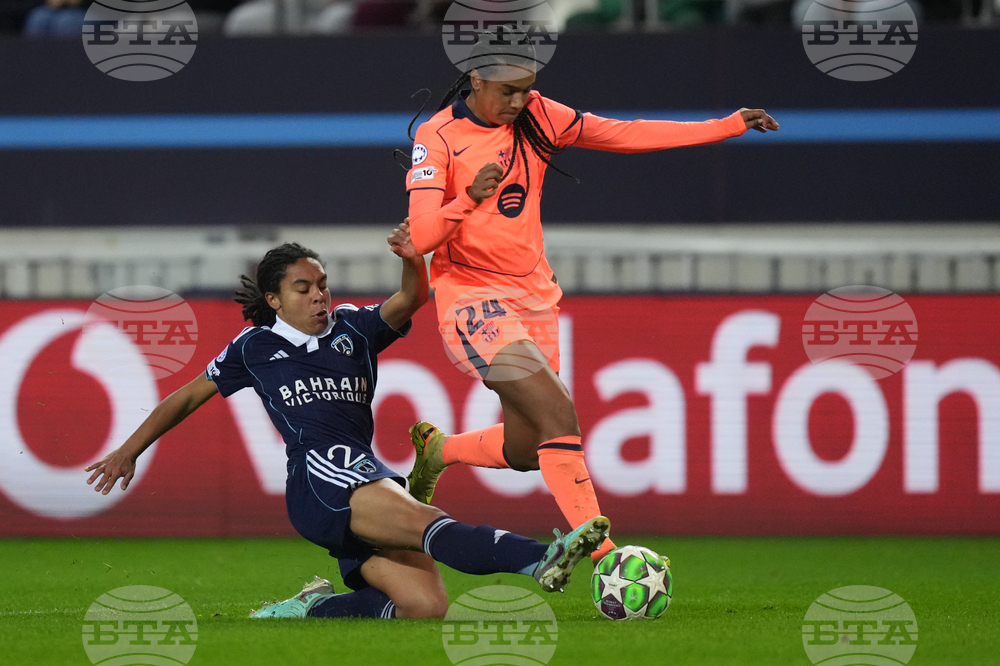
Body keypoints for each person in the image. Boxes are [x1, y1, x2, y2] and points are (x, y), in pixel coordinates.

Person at [83, 231, 610, 619]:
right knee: (427, 521)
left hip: (364, 471)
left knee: (423, 607)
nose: (318, 295)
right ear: (274, 300)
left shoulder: (354, 329)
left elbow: (411, 301)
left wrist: (412, 261)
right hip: (321, 479)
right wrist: (129, 449)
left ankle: (309, 608)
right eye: (302, 288)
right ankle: (542, 557)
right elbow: (188, 396)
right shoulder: (253, 348)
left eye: (322, 285)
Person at [403, 28, 779, 563]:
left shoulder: (539, 114)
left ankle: (438, 450)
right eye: (508, 91)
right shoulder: (438, 137)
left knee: (528, 449)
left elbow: (623, 134)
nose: (519, 102)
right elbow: (420, 237)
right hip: (471, 298)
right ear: (476, 76)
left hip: (533, 295)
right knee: (560, 415)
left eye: (527, 89)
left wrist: (727, 125)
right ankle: (607, 555)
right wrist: (468, 197)